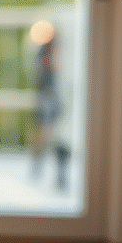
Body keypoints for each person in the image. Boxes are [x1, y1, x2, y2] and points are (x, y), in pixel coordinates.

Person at [29, 20, 69, 190]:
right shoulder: (45, 51)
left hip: (50, 98)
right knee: (48, 134)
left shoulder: (48, 51)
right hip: (48, 97)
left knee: (51, 135)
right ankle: (50, 170)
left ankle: (55, 171)